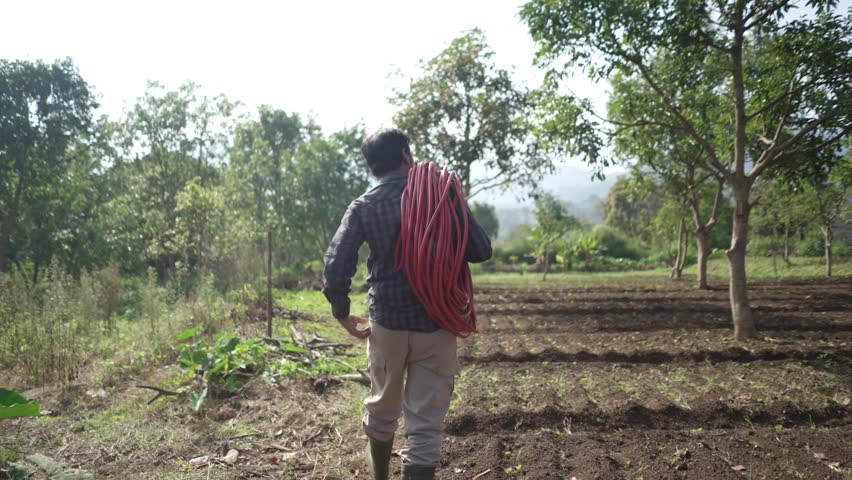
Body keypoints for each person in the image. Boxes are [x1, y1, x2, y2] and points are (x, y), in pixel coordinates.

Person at [322, 128, 492, 480]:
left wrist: (342, 314)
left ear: (371, 169)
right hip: (437, 324)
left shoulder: (364, 206)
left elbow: (336, 266)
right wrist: (453, 209)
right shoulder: (443, 197)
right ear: (406, 155)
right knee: (426, 425)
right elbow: (481, 250)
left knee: (383, 409)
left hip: (387, 325)